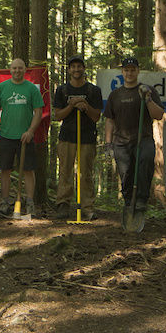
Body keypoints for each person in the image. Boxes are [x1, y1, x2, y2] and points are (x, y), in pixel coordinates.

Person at [103, 56, 164, 217]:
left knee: (145, 164)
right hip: (121, 143)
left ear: (138, 71)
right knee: (125, 174)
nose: (130, 73)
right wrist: (108, 143)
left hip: (143, 139)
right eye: (126, 70)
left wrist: (148, 99)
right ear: (122, 72)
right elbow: (109, 120)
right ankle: (129, 202)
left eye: (133, 70)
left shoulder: (147, 90)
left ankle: (142, 200)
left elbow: (158, 115)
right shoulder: (115, 94)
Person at [0, 58, 44, 218]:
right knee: (5, 169)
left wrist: (31, 131)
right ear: (10, 69)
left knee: (28, 170)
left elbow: (38, 112)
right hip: (5, 136)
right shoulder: (2, 88)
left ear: (25, 70)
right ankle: (5, 202)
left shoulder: (32, 89)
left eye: (20, 68)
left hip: (25, 137)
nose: (17, 71)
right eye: (14, 68)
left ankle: (30, 203)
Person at [53, 55, 103, 220]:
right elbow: (58, 115)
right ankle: (63, 204)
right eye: (73, 67)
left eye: (79, 66)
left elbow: (96, 116)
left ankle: (87, 207)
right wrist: (72, 105)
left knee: (86, 173)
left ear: (83, 69)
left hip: (87, 137)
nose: (76, 70)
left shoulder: (93, 91)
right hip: (67, 137)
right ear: (69, 70)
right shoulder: (62, 90)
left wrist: (85, 106)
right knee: (65, 172)